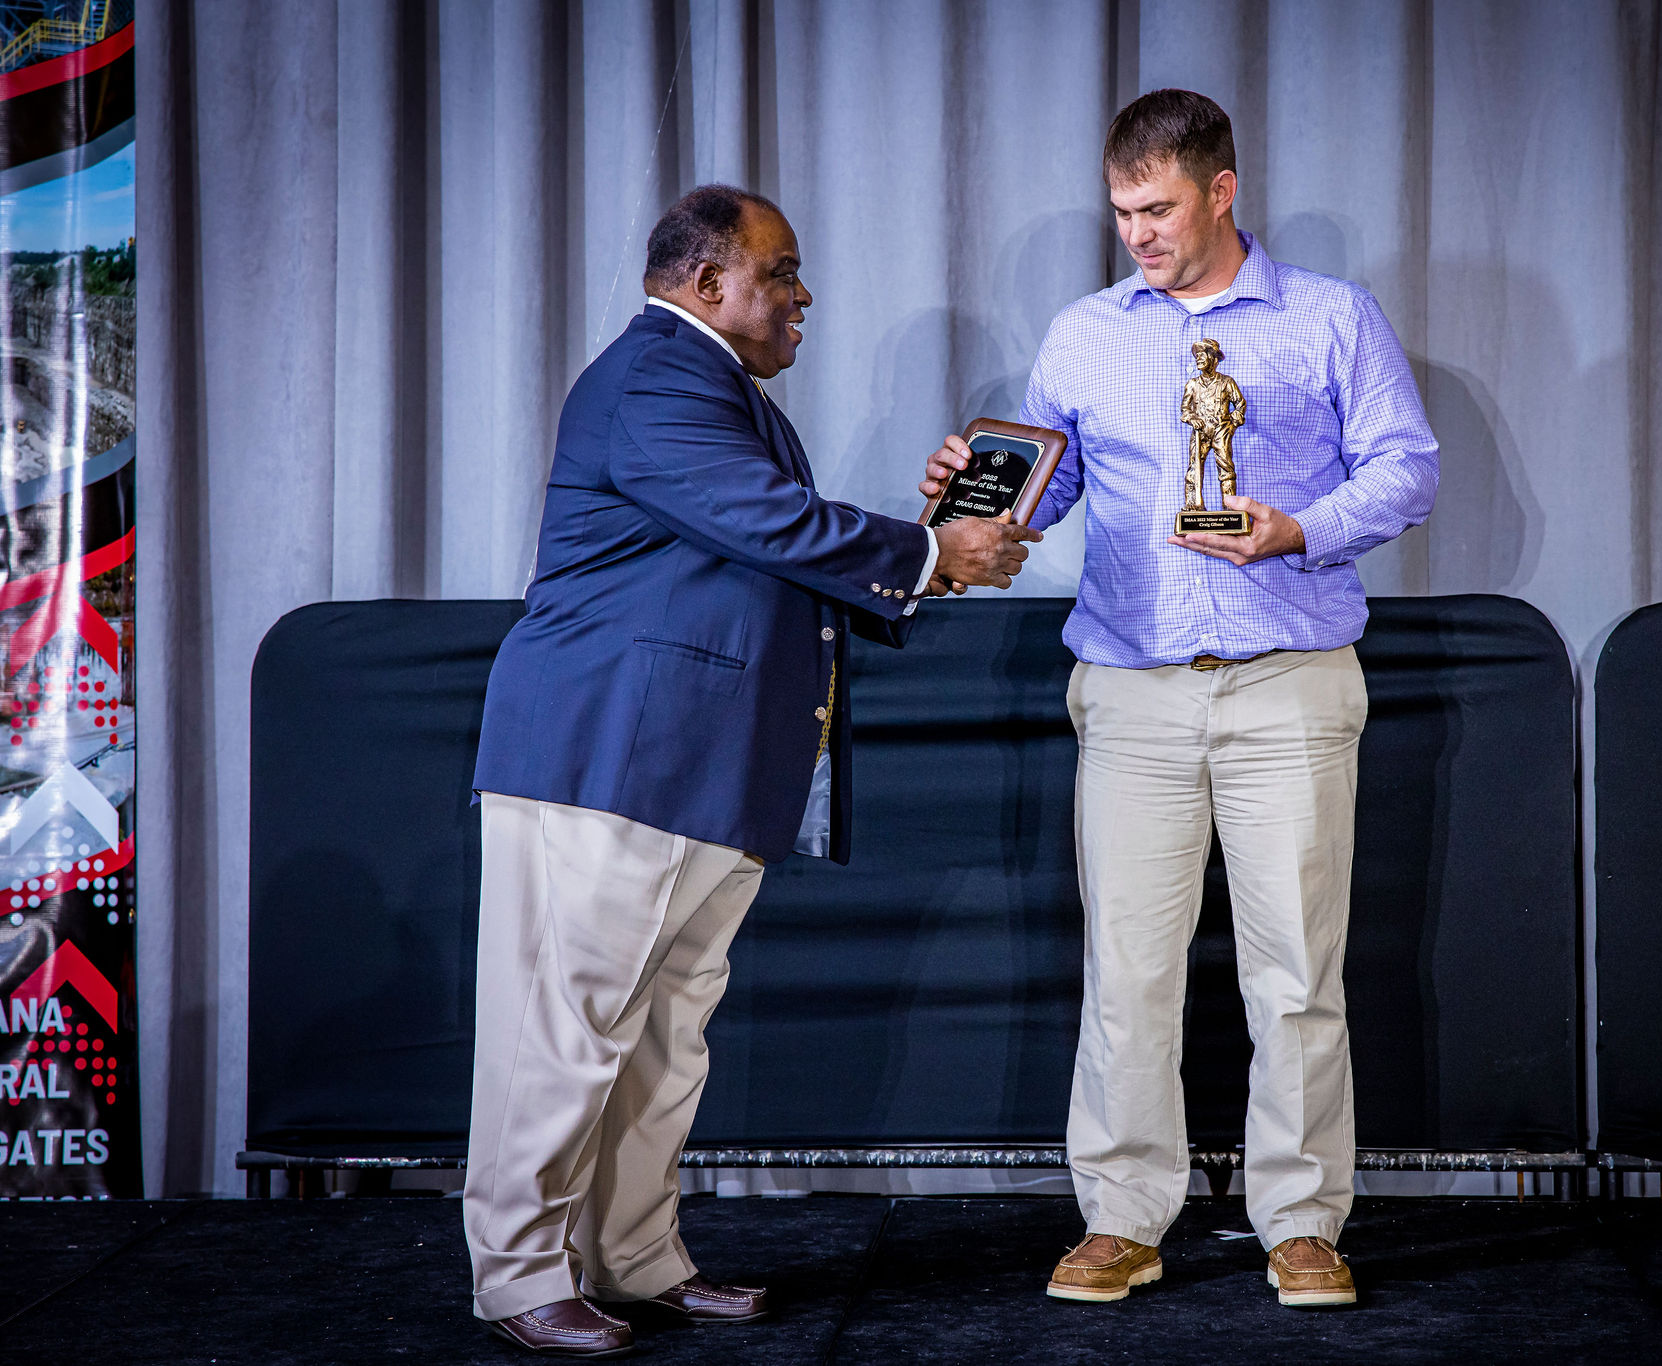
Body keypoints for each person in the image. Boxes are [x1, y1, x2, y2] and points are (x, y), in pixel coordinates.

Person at [466, 183, 1038, 1358]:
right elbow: (766, 523)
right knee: (562, 1029)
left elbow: (767, 544)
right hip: (609, 756)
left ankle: (635, 1258)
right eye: (779, 273)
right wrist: (932, 550)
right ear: (703, 283)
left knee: (667, 1036)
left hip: (693, 769)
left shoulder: (723, 393)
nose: (800, 294)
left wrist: (928, 552)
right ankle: (519, 1271)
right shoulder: (657, 377)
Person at [925, 89, 1439, 1310]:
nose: (1137, 233)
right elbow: (1035, 500)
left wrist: (1300, 527)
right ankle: (1119, 1216)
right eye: (1119, 211)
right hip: (1133, 690)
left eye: (1156, 208)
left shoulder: (1328, 317)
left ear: (1221, 190)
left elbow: (1406, 466)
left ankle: (1301, 1222)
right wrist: (971, 496)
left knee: (1296, 972)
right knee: (1128, 970)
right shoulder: (1084, 332)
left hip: (1288, 683)